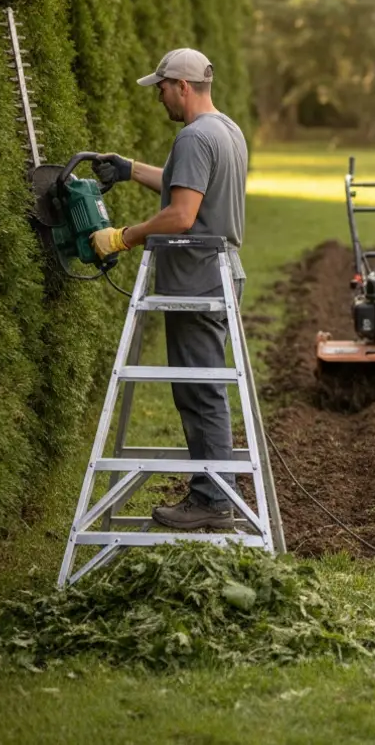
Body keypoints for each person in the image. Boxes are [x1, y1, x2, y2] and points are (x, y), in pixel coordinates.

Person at [88, 47, 249, 531]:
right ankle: (214, 492)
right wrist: (130, 168)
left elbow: (181, 214)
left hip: (196, 280)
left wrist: (122, 236)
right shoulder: (226, 130)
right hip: (218, 273)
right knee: (202, 388)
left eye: (160, 87)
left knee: (201, 392)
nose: (158, 97)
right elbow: (186, 188)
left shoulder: (194, 137)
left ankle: (213, 499)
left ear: (182, 86)